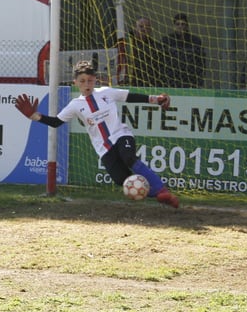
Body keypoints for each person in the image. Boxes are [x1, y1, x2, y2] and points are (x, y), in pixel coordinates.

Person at [15, 60, 179, 208]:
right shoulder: (74, 105)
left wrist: (156, 99)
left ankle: (162, 190)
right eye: (82, 81)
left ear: (95, 80)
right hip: (104, 148)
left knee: (129, 157)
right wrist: (34, 116)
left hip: (121, 135)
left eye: (90, 81)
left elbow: (131, 97)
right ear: (75, 82)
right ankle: (157, 195)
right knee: (122, 180)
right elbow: (56, 122)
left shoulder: (106, 93)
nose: (87, 84)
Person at [162, 13, 206, 88]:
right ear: (174, 26)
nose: (180, 26)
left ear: (187, 26)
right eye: (178, 24)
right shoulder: (167, 40)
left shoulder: (195, 41)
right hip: (171, 80)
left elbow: (201, 61)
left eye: (183, 24)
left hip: (191, 80)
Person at [126, 17, 163, 87]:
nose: (143, 29)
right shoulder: (126, 43)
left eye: (147, 27)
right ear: (135, 28)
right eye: (141, 26)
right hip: (127, 82)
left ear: (150, 30)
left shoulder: (155, 46)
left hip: (146, 83)